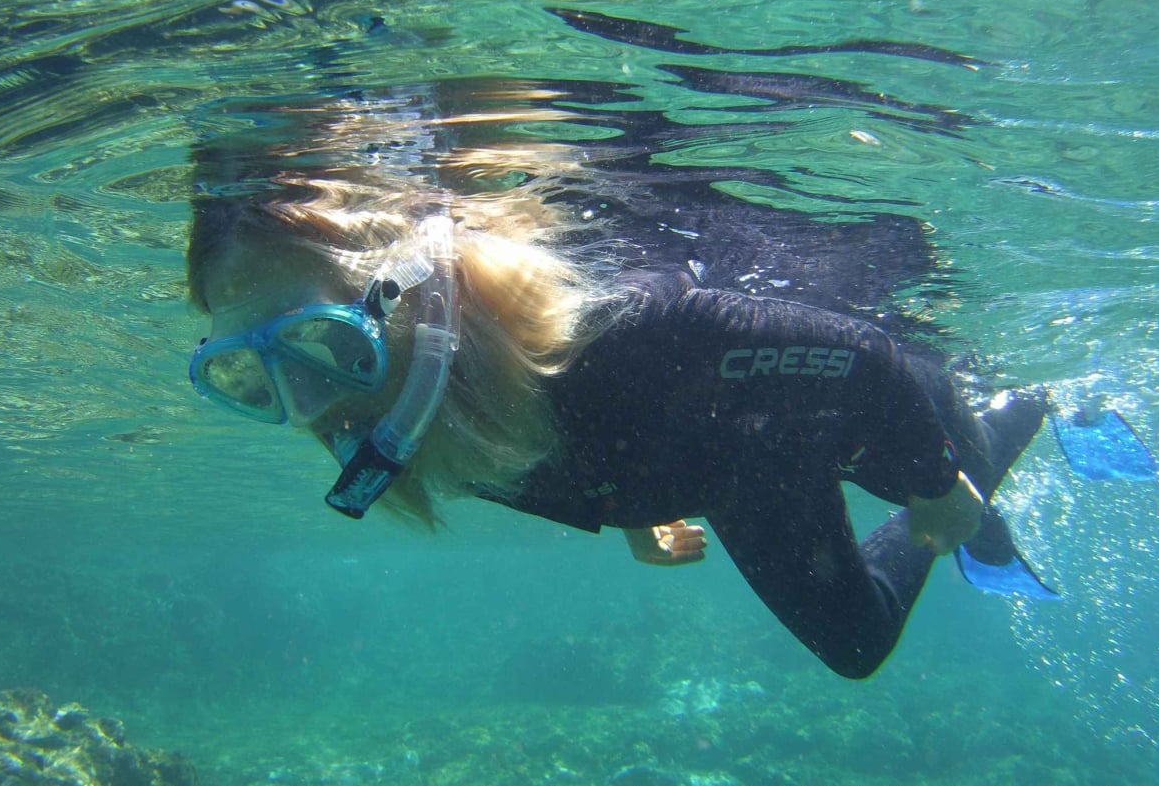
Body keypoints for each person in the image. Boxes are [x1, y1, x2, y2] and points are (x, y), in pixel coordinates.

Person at [183, 91, 1051, 679]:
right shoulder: (413, 416)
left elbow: (865, 357)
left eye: (316, 343)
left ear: (403, 293)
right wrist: (635, 509)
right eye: (250, 377)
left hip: (838, 405)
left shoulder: (625, 330)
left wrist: (936, 489)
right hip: (738, 468)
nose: (309, 403)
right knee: (857, 644)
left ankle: (1022, 406)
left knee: (964, 486)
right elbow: (558, 441)